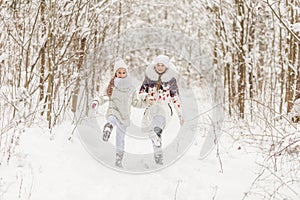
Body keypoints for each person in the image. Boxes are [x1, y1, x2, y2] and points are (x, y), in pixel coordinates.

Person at [92, 58, 146, 167]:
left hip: (125, 116)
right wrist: (97, 101)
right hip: (114, 111)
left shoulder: (131, 88)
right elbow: (104, 97)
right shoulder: (112, 86)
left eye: (123, 72)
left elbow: (135, 102)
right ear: (115, 74)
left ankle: (118, 158)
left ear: (126, 73)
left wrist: (146, 103)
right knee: (112, 119)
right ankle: (108, 127)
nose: (121, 75)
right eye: (119, 72)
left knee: (120, 138)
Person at [138, 55, 184, 165]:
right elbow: (140, 93)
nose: (159, 67)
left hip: (164, 109)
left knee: (157, 129)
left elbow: (175, 99)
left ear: (166, 66)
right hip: (151, 109)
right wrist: (146, 97)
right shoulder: (149, 78)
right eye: (158, 65)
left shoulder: (171, 80)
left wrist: (180, 116)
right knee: (153, 133)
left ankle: (158, 157)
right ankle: (158, 155)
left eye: (162, 65)